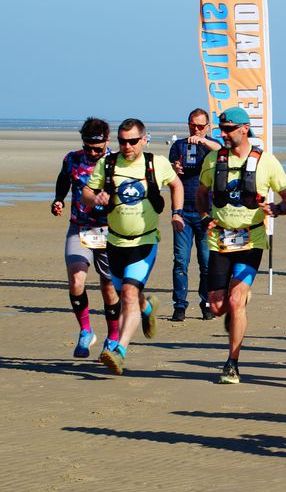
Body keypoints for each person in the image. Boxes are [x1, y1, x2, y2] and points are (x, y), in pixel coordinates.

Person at [195, 107, 286, 384]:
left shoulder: (267, 162)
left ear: (244, 128)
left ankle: (232, 364)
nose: (223, 134)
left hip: (252, 240)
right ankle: (235, 301)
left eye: (228, 129)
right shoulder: (214, 160)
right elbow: (201, 195)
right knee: (216, 307)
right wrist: (205, 219)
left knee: (236, 301)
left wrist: (278, 208)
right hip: (219, 241)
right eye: (221, 129)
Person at [82, 118, 183, 375]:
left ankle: (119, 351)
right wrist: (96, 197)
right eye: (122, 141)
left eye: (133, 141)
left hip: (144, 241)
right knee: (130, 297)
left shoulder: (155, 163)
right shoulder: (108, 163)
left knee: (127, 294)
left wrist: (177, 212)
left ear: (144, 139)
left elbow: (176, 184)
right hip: (114, 241)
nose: (127, 146)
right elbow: (86, 193)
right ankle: (147, 308)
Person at [52, 117, 120, 358]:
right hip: (79, 228)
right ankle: (85, 331)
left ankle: (113, 336)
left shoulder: (116, 161)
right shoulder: (73, 159)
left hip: (109, 231)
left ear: (107, 141)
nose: (93, 152)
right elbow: (64, 179)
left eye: (98, 148)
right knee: (76, 282)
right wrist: (59, 199)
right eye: (88, 147)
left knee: (108, 286)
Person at [169, 108, 220, 321]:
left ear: (207, 126)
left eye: (200, 125)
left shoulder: (212, 146)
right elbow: (170, 175)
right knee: (181, 261)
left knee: (207, 262)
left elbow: (222, 149)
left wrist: (202, 141)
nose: (196, 129)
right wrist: (175, 167)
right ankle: (179, 305)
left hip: (206, 213)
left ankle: (206, 302)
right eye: (192, 125)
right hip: (184, 211)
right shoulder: (179, 145)